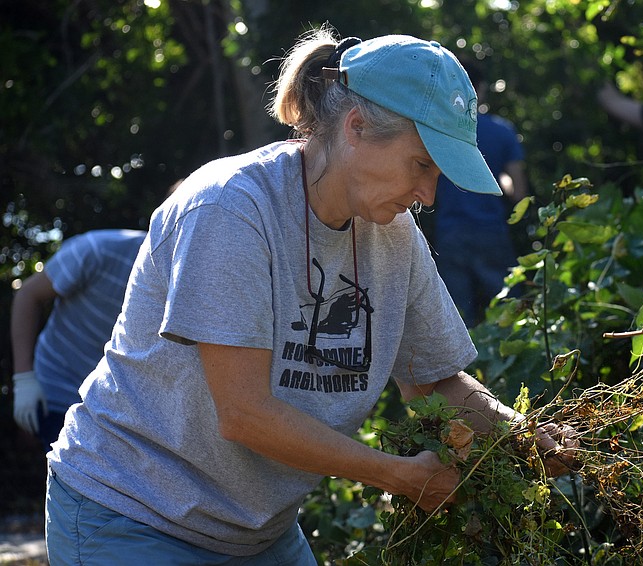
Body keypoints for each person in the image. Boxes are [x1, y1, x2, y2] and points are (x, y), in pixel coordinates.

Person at [44, 28, 577, 564]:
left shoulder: (393, 235)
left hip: (258, 533)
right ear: (357, 127)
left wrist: (521, 435)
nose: (428, 195)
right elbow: (245, 413)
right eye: (421, 165)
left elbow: (434, 381)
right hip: (131, 513)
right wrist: (397, 475)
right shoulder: (232, 210)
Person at [10, 228, 147, 453]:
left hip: (111, 412)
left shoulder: (189, 281)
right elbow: (27, 295)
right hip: (55, 393)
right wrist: (23, 380)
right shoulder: (98, 249)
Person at [433, 58, 529, 328]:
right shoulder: (502, 132)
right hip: (490, 230)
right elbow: (518, 191)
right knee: (509, 312)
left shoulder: (438, 132)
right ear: (482, 89)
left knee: (456, 317)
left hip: (450, 232)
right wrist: (498, 180)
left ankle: (462, 368)